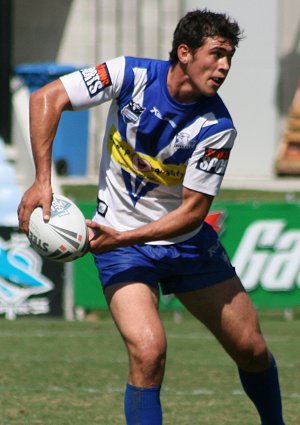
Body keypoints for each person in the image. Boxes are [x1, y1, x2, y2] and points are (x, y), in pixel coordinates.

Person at [18, 9, 286, 425]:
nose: (224, 67)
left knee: (251, 349)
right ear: (184, 52)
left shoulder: (217, 127)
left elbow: (193, 213)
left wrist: (124, 238)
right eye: (216, 54)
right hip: (120, 241)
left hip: (182, 241)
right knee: (148, 351)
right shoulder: (129, 74)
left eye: (229, 58)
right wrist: (42, 181)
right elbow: (46, 97)